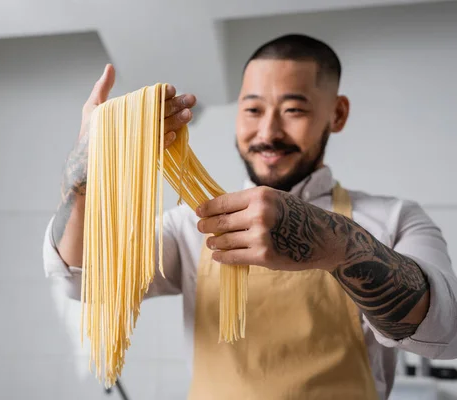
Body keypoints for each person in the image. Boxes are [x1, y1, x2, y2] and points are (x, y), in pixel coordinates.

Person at [42, 34, 457, 399]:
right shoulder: (192, 223)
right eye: (253, 110)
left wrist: (338, 244)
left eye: (293, 110)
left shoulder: (395, 217)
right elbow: (80, 277)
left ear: (337, 113)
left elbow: (445, 331)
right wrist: (83, 174)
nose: (268, 132)